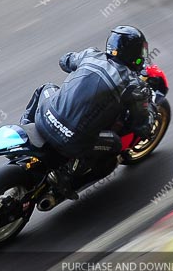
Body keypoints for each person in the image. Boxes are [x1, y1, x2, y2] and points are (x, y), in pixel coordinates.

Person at [20, 25, 154, 199]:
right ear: (134, 54)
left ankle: (25, 126)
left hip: (44, 118)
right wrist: (149, 117)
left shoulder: (91, 55)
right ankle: (66, 177)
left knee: (47, 88)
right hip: (73, 141)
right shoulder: (133, 86)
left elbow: (64, 61)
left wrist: (82, 66)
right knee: (114, 144)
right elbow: (141, 126)